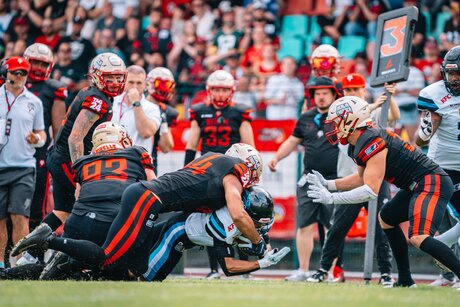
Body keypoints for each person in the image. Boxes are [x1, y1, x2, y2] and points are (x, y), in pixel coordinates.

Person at [12, 143, 266, 278]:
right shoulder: (233, 171)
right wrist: (257, 243)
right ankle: (49, 241)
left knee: (117, 264)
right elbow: (238, 214)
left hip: (146, 199)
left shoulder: (213, 162)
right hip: (146, 199)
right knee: (109, 257)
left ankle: (61, 265)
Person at [307, 96, 460, 288]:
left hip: (431, 181)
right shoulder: (358, 142)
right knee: (386, 218)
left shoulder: (371, 139)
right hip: (417, 184)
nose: (334, 127)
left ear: (351, 121)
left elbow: (371, 191)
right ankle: (405, 279)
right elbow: (360, 178)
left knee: (419, 236)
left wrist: (331, 198)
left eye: (337, 122)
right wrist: (328, 184)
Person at [1, 122, 155, 280]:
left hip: (78, 222)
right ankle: (54, 244)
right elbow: (155, 189)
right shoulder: (137, 153)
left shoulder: (84, 161)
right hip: (113, 222)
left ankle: (6, 274)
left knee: (59, 270)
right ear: (123, 140)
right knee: (121, 268)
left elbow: (79, 197)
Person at [24, 53, 127, 242]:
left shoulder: (95, 94)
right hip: (67, 160)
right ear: (97, 76)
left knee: (62, 211)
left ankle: (30, 253)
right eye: (109, 77)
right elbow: (75, 138)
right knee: (90, 207)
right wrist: (80, 175)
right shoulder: (98, 100)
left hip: (59, 157)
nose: (114, 82)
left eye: (118, 77)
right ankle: (70, 254)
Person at [306, 73, 397, 286]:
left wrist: (388, 98)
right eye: (348, 90)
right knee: (337, 227)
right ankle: (323, 269)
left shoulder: (374, 113)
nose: (352, 93)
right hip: (351, 178)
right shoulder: (343, 115)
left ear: (363, 90)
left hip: (375, 179)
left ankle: (385, 272)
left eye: (356, 89)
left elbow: (393, 116)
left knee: (381, 227)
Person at [268, 77, 341, 282]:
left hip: (334, 181)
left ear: (334, 95)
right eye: (317, 93)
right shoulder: (306, 118)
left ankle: (328, 273)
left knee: (331, 227)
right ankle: (303, 270)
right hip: (308, 178)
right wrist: (276, 158)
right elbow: (292, 141)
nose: (321, 97)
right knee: (305, 226)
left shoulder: (341, 117)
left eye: (325, 92)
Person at [184, 69, 255, 279]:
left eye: (224, 89)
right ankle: (214, 268)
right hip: (208, 170)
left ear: (231, 91)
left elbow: (249, 146)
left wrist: (250, 173)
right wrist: (187, 171)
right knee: (210, 216)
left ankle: (245, 268)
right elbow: (192, 144)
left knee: (241, 215)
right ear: (209, 90)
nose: (220, 94)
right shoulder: (199, 111)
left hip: (234, 169)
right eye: (216, 89)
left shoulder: (240, 111)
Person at [144, 186, 289, 281]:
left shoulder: (242, 214)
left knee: (155, 277)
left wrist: (267, 253)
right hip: (176, 232)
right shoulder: (225, 224)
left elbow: (262, 236)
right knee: (148, 277)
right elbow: (229, 267)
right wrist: (262, 263)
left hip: (187, 230)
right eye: (258, 223)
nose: (260, 228)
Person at [415, 46, 460, 288]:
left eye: (459, 73)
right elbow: (419, 140)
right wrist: (425, 130)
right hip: (443, 168)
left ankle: (442, 249)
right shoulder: (434, 94)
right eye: (451, 73)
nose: (454, 79)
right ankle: (448, 271)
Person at [0, 56, 46, 268]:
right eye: (14, 72)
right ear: (5, 73)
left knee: (21, 216)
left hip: (24, 166)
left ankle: (20, 264)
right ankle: (0, 263)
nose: (18, 77)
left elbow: (42, 134)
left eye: (22, 73)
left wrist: (37, 140)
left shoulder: (34, 102)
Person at [22, 43, 68, 232]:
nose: (39, 68)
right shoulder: (10, 82)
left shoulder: (53, 89)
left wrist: (57, 156)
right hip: (11, 148)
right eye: (36, 63)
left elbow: (57, 130)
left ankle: (36, 254)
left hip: (38, 152)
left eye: (43, 64)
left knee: (37, 205)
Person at [112, 65, 161, 153]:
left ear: (145, 85)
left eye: (139, 83)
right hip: (113, 160)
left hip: (138, 163)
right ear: (124, 82)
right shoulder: (112, 102)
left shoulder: (152, 108)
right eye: (131, 82)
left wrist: (136, 103)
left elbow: (146, 133)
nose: (135, 87)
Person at [145, 67, 178, 173]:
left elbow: (166, 148)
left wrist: (163, 120)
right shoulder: (138, 106)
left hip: (151, 162)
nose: (164, 88)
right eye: (160, 83)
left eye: (167, 84)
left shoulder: (166, 111)